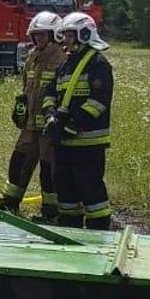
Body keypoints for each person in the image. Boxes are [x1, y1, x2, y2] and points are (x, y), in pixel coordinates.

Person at [47, 12, 113, 230]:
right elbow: (50, 93)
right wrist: (50, 116)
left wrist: (74, 124)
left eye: (68, 34)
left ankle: (99, 228)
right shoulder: (66, 64)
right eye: (64, 34)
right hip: (64, 142)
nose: (64, 39)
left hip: (88, 142)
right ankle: (69, 226)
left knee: (89, 186)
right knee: (64, 187)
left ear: (84, 34)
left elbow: (98, 101)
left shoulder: (98, 63)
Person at [0, 12, 65, 218]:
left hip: (48, 125)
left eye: (42, 35)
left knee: (48, 166)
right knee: (19, 160)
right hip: (29, 124)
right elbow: (27, 88)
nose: (38, 39)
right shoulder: (32, 57)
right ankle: (10, 201)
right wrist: (20, 108)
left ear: (55, 35)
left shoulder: (61, 59)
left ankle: (51, 210)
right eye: (35, 35)